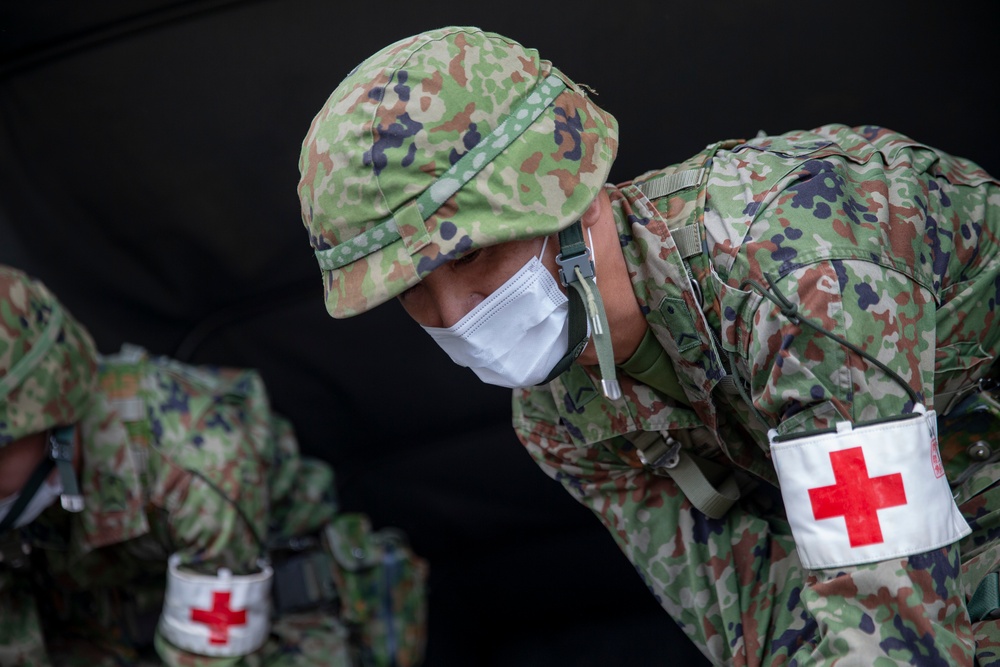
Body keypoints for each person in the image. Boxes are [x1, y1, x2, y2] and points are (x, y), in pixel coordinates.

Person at [295, 25, 1000, 666]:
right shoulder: (558, 416)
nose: (454, 313)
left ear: (576, 199)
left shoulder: (789, 268)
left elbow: (897, 630)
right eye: (414, 287)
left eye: (476, 254)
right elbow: (758, 620)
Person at [0, 265, 428, 667]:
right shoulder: (28, 474)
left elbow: (215, 653)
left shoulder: (192, 455)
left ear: (53, 417)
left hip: (275, 622)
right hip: (110, 625)